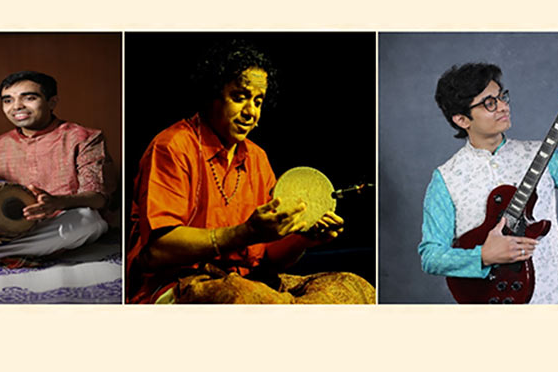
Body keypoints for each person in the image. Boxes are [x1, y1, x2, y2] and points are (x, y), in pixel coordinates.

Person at [126, 40, 375, 304]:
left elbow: (268, 256)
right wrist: (245, 232)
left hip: (247, 280)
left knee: (352, 287)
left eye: (258, 101)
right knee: (244, 295)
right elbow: (157, 250)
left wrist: (303, 237)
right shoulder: (173, 146)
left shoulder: (257, 157)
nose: (251, 112)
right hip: (176, 283)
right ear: (212, 94)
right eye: (239, 97)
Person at [419, 62, 558, 304]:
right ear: (462, 119)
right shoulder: (445, 179)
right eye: (489, 103)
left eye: (502, 97)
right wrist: (483, 256)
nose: (502, 106)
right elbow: (431, 256)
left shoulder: (541, 154)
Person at [0, 71, 114, 261]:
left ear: (52, 102)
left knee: (89, 221)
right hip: (7, 222)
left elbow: (99, 198)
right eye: (8, 100)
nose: (17, 106)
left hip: (58, 219)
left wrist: (55, 202)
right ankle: (16, 245)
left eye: (29, 98)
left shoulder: (84, 137)